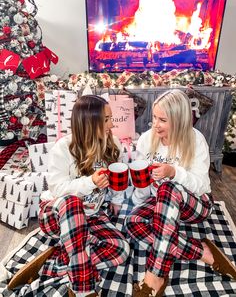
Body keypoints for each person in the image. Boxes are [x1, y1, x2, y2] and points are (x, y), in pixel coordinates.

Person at [125, 89, 236, 297]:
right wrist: (139, 192)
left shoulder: (196, 141)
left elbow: (202, 186)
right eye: (154, 117)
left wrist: (174, 172)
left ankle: (155, 276)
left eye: (162, 120)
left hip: (196, 204)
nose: (155, 124)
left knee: (169, 187)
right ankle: (202, 251)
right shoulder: (147, 139)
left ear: (178, 120)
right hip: (161, 201)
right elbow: (144, 183)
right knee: (132, 223)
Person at [38, 95, 130, 297]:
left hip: (91, 215)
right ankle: (83, 288)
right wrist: (90, 182)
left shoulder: (112, 144)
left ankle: (66, 259)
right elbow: (57, 190)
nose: (111, 124)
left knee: (121, 249)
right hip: (57, 215)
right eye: (106, 119)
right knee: (71, 202)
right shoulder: (64, 148)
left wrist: (116, 199)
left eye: (110, 118)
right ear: (89, 121)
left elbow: (116, 177)